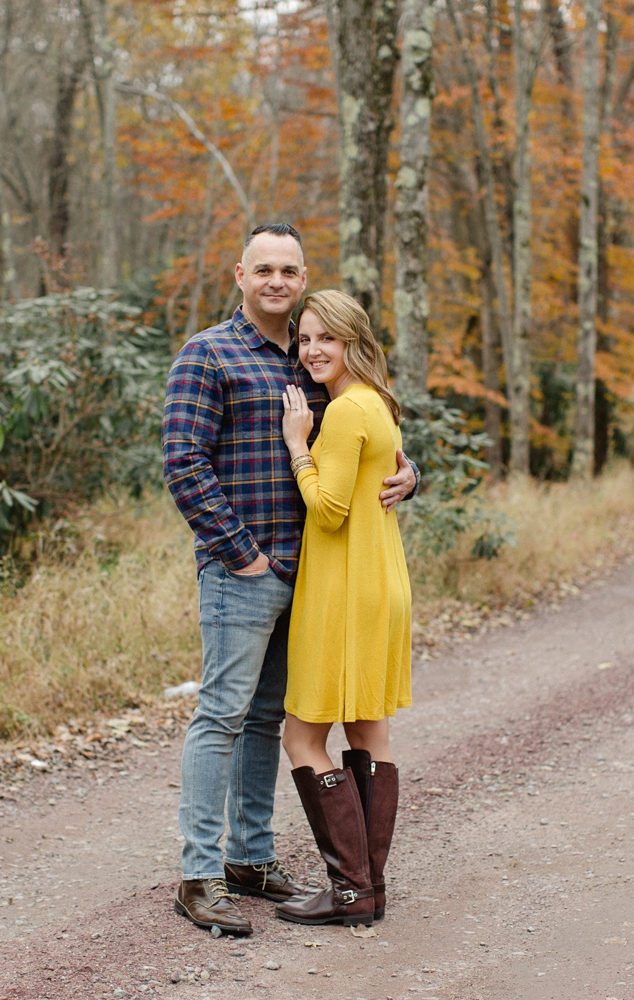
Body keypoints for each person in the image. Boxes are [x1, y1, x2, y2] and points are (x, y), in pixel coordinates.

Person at [162, 224, 418, 936]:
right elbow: (184, 463)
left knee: (270, 721)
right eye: (264, 268)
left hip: (315, 583)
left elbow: (367, 439)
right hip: (244, 573)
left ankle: (251, 857)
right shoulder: (208, 354)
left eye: (289, 270)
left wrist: (409, 473)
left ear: (304, 280)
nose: (276, 280)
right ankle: (200, 875)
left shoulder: (312, 359)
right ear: (239, 274)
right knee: (221, 716)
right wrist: (239, 553)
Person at [272, 290, 412, 927]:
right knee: (368, 731)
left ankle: (349, 888)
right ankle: (369, 889)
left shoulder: (344, 413)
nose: (312, 350)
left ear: (354, 340)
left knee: (301, 735)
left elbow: (328, 510)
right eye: (304, 339)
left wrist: (298, 441)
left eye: (326, 338)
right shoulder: (379, 405)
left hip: (344, 587)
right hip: (380, 580)